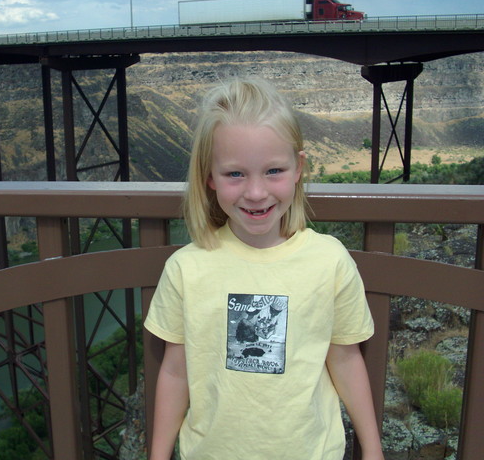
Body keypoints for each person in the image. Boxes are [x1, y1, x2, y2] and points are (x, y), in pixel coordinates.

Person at [144, 77, 384, 460]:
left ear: (298, 168)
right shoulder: (186, 269)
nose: (256, 193)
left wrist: (373, 450)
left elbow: (345, 359)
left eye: (273, 171)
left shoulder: (330, 261)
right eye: (235, 174)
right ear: (209, 177)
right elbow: (176, 371)